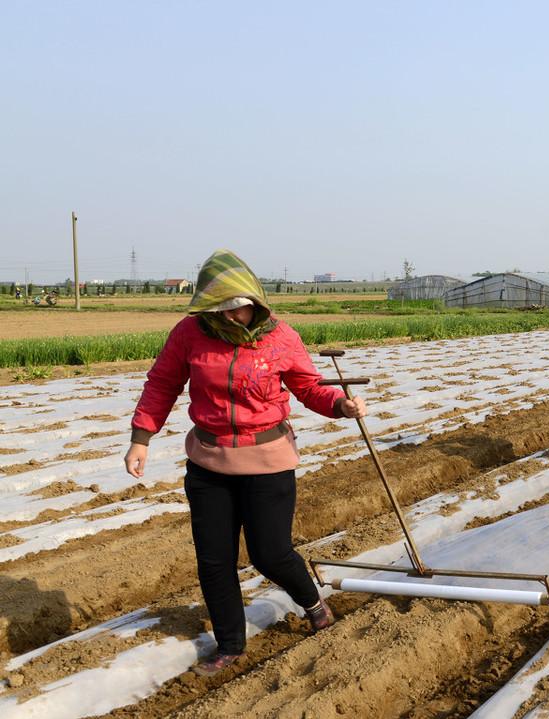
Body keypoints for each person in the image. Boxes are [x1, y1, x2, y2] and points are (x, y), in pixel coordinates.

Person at [123, 249, 367, 676]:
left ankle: (313, 603)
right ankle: (230, 644)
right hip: (209, 463)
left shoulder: (281, 337)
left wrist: (340, 405)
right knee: (214, 560)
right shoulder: (189, 333)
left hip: (268, 460)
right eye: (220, 309)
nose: (229, 316)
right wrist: (141, 438)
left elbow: (310, 387)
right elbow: (162, 383)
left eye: (237, 307)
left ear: (254, 302)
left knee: (270, 554)